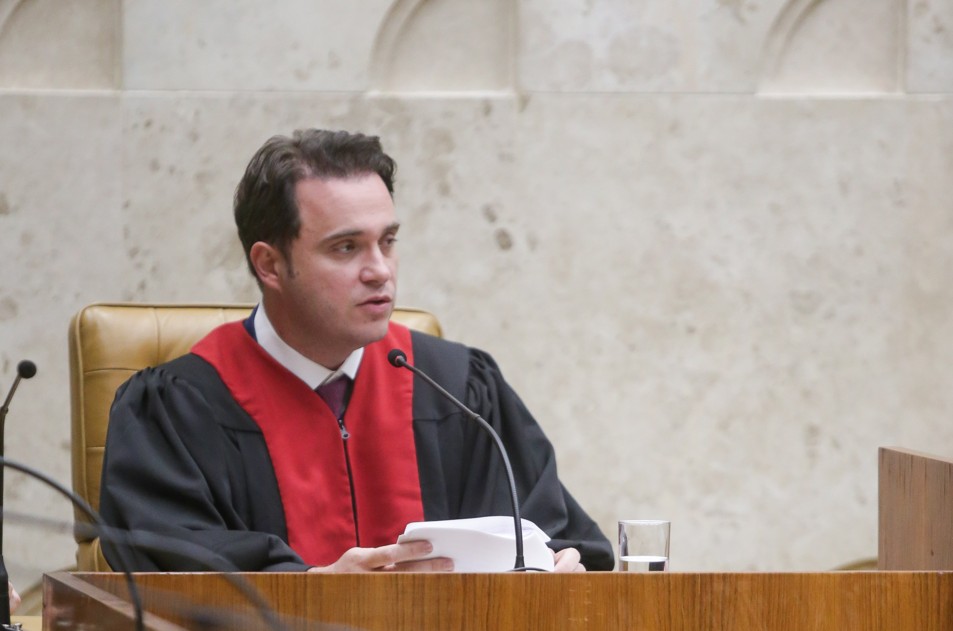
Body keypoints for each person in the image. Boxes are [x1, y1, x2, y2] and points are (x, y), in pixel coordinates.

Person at [99, 129, 614, 573]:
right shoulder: (177, 409)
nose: (380, 270)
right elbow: (165, 571)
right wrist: (311, 589)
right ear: (270, 265)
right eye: (346, 248)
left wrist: (561, 564)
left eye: (387, 241)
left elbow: (561, 536)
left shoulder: (458, 389)